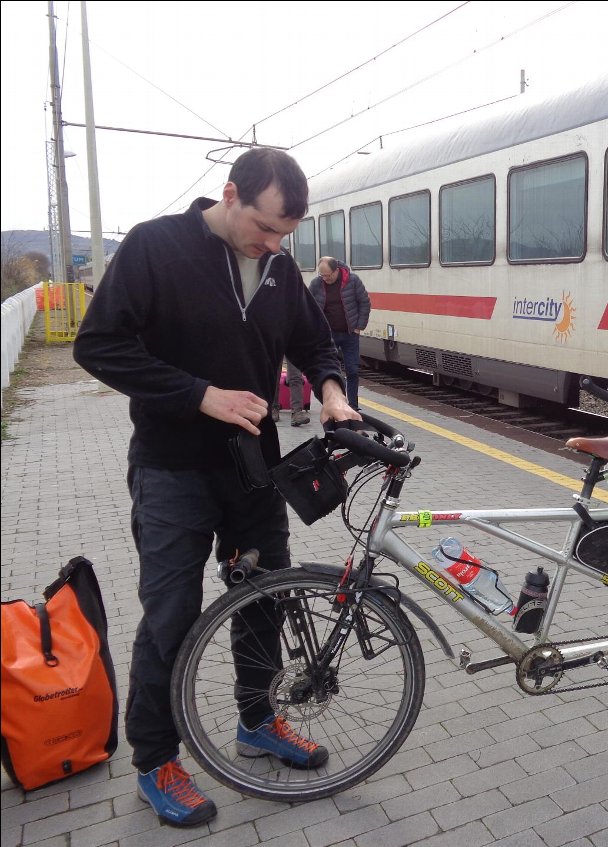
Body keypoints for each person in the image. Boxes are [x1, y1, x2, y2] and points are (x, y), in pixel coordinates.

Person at [72, 147, 360, 828]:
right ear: (230, 194)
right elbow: (99, 345)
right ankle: (155, 760)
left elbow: (316, 345)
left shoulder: (281, 270)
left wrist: (332, 392)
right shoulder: (155, 246)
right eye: (265, 229)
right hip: (172, 468)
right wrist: (199, 394)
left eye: (286, 236)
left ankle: (257, 720)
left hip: (252, 470)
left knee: (265, 598)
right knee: (171, 615)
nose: (273, 245)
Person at [308, 256, 371, 410]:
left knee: (353, 370)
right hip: (328, 336)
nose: (325, 279)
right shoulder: (317, 284)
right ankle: (333, 404)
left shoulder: (352, 281)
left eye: (328, 275)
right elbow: (308, 306)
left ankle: (353, 406)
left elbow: (365, 302)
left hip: (350, 334)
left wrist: (359, 326)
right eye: (322, 275)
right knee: (330, 371)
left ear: (336, 271)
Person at [271, 355, 310, 426]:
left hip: (293, 344)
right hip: (275, 344)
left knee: (296, 376)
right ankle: (273, 408)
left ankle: (297, 412)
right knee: (274, 375)